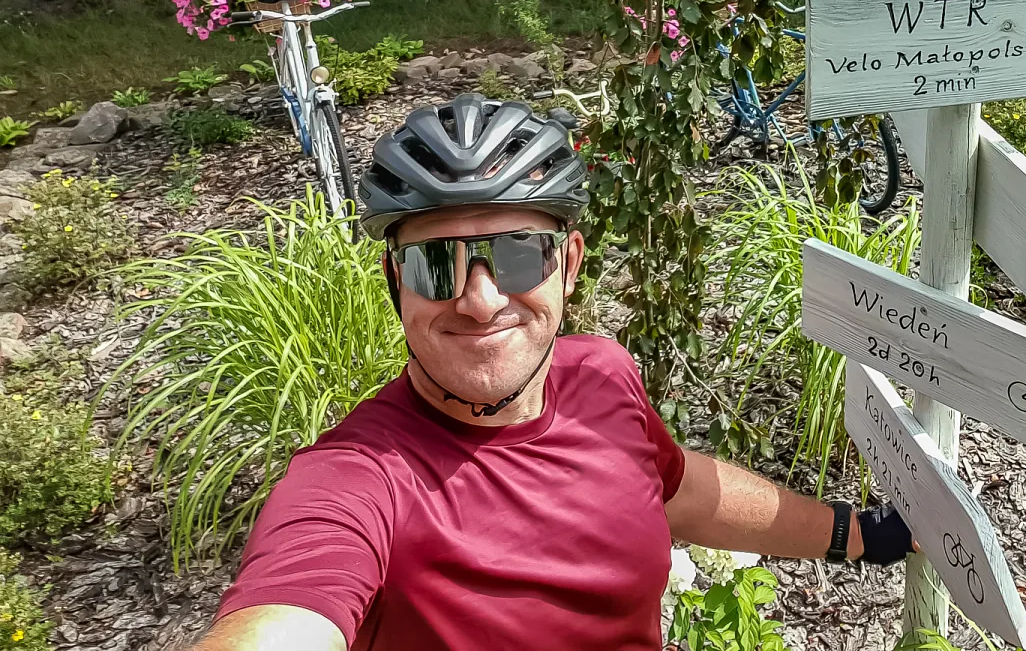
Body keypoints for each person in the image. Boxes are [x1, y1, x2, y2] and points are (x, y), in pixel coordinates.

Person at [192, 93, 914, 651]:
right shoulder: (356, 481)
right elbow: (286, 611)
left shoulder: (601, 373)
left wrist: (858, 534)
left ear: (567, 266)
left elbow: (677, 489)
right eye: (436, 264)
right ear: (394, 282)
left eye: (515, 255)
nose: (479, 301)